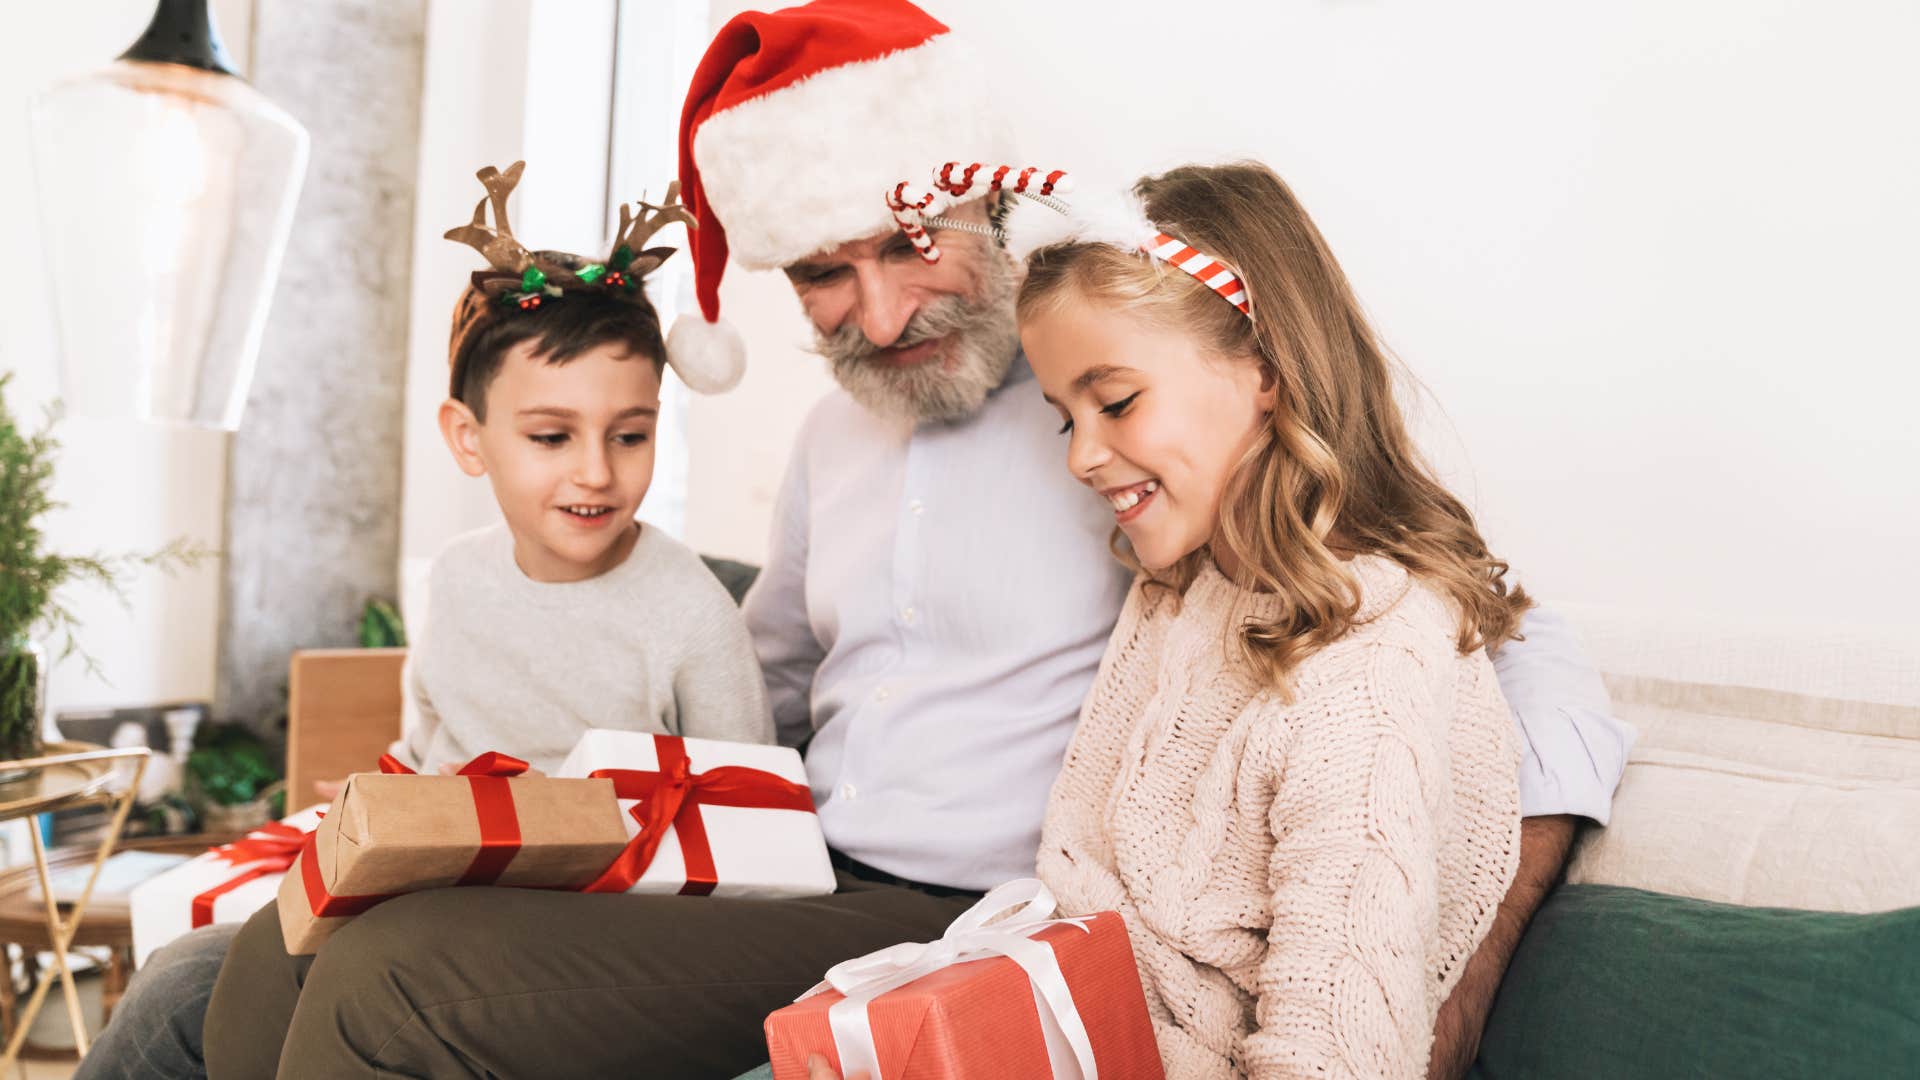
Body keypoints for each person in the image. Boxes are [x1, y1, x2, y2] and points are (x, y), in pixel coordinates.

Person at [105, 3, 1627, 1077]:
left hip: (946, 904)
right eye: (823, 274)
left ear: (976, 205)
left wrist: (1470, 951)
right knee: (253, 955)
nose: (881, 311)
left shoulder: (1136, 421)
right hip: (779, 856)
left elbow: (1459, 625)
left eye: (905, 245)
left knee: (387, 985)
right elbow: (754, 686)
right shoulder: (841, 437)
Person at [74, 164, 771, 1080]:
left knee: (324, 995)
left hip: (599, 936)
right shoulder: (456, 581)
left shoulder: (691, 612)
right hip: (442, 900)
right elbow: (429, 757)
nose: (597, 472)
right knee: (179, 985)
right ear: (468, 438)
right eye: (553, 436)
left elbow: (756, 839)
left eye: (630, 434)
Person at [1017, 160, 1526, 1077]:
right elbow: (1083, 907)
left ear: (1267, 371)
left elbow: (1333, 1054)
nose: (1083, 456)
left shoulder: (1368, 659)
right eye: (1065, 419)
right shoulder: (1181, 588)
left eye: (1118, 401)